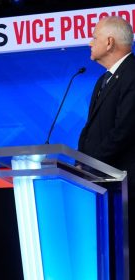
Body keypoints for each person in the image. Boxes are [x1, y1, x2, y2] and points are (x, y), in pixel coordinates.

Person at [78, 16, 135, 278]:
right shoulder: (102, 81)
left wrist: (90, 162)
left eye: (94, 36)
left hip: (127, 186)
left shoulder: (133, 74)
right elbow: (92, 130)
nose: (90, 42)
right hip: (104, 186)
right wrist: (79, 161)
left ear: (109, 42)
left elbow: (125, 129)